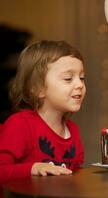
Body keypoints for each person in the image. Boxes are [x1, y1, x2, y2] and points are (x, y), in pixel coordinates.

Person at [0, 40, 86, 187]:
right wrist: (32, 168)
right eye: (68, 79)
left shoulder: (73, 130)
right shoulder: (20, 125)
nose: (79, 84)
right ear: (38, 88)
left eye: (82, 78)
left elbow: (75, 176)